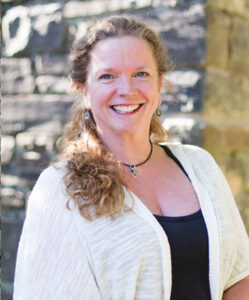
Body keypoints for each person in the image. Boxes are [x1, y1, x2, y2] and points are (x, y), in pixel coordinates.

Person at [14, 15, 249, 300]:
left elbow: (240, 276)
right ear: (85, 92)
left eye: (141, 74)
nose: (126, 90)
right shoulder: (60, 188)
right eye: (107, 76)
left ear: (159, 86)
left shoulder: (200, 165)